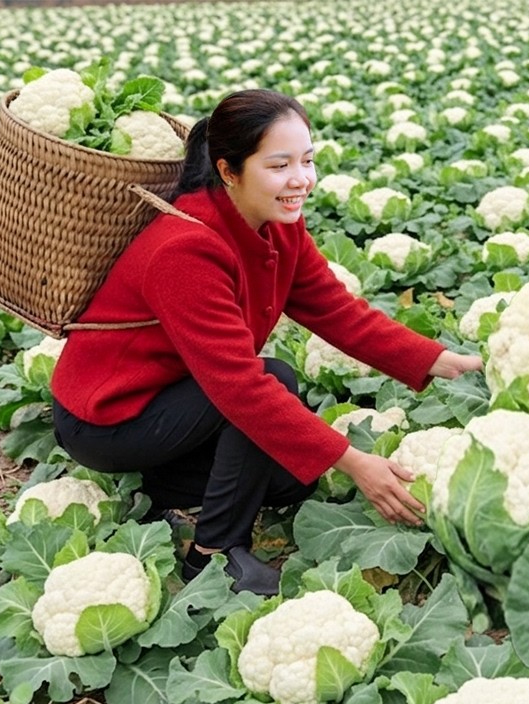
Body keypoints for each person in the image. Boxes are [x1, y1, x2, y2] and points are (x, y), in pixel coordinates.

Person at [50, 89, 482, 596]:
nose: (300, 179)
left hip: (176, 393)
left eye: (307, 160)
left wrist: (435, 360)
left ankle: (161, 486)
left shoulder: (279, 226)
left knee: (290, 480)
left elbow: (337, 311)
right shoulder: (184, 248)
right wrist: (355, 462)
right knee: (273, 381)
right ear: (229, 171)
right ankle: (214, 555)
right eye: (279, 165)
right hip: (109, 416)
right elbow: (239, 388)